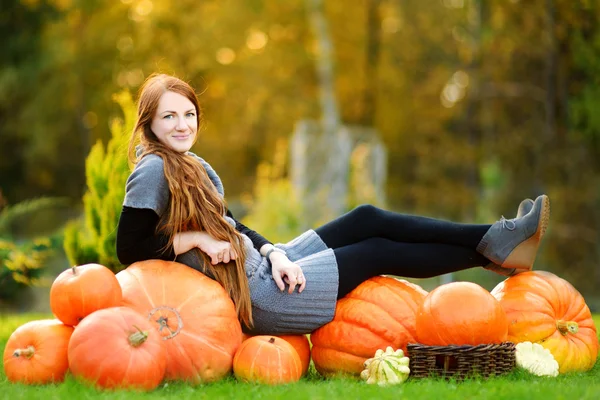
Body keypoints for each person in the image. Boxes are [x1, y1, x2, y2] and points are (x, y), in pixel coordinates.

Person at [116, 73, 550, 335]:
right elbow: (129, 248)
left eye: (188, 113)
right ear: (149, 123)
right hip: (264, 297)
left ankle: (494, 241)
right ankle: (494, 251)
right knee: (376, 250)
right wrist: (195, 239)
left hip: (265, 269)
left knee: (367, 217)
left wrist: (274, 252)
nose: (182, 124)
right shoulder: (155, 170)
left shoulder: (190, 164)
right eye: (169, 116)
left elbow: (233, 225)